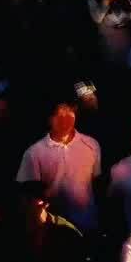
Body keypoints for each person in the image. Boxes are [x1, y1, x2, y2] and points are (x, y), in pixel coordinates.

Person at [15, 100, 102, 235]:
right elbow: (29, 196)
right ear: (49, 119)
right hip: (54, 229)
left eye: (69, 112)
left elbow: (96, 183)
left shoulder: (92, 144)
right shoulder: (34, 152)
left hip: (89, 225)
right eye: (59, 115)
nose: (65, 119)